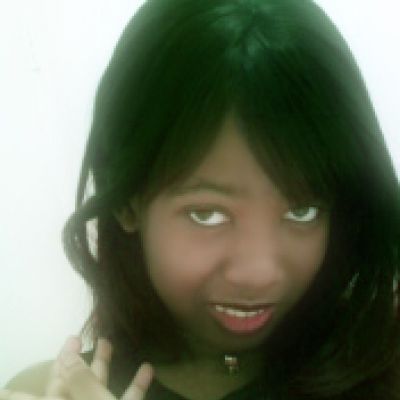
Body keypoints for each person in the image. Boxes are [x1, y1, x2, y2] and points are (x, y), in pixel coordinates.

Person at [3, 0, 400, 399]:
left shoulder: (385, 366)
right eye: (207, 215)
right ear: (127, 201)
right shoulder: (52, 392)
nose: (259, 273)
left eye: (302, 211)